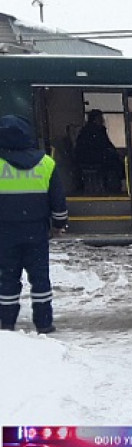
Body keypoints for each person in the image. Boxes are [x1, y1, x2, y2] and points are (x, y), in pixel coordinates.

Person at [0, 115, 68, 334]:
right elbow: (58, 199)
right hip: (37, 231)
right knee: (40, 279)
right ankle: (44, 322)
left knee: (7, 278)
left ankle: (7, 323)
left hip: (4, 232)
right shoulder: (46, 163)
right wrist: (59, 224)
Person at [74, 109, 123, 193]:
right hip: (90, 157)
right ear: (95, 119)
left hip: (97, 155)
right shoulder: (89, 131)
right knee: (113, 161)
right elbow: (100, 145)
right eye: (100, 118)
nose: (102, 120)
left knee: (114, 159)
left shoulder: (98, 130)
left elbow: (107, 144)